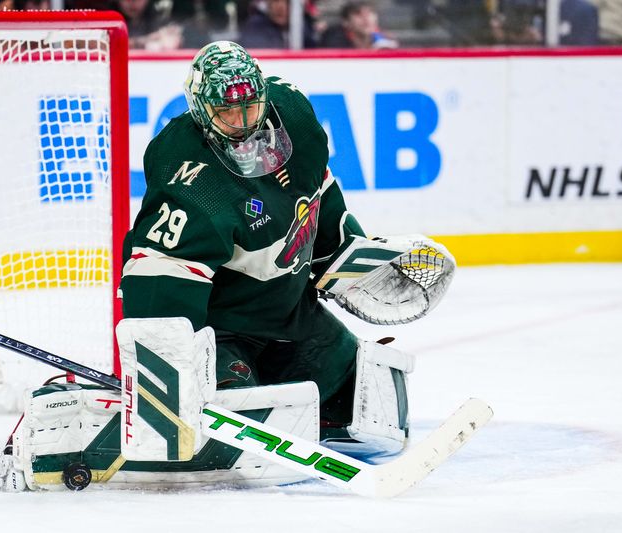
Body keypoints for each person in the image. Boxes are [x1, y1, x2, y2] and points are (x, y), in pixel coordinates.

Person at [118, 41, 454, 465]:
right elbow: (159, 281)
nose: (243, 123)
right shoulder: (191, 177)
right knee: (245, 429)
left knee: (369, 403)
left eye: (251, 108)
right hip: (224, 332)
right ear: (202, 110)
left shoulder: (292, 111)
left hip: (292, 313)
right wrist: (165, 373)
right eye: (226, 113)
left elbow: (319, 192)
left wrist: (344, 254)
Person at [238, 0, 320, 48]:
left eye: (287, 2)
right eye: (276, 1)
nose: (280, 8)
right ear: (268, 4)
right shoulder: (255, 26)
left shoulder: (303, 27)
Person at [320, 0, 399, 48]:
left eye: (369, 13)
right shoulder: (334, 44)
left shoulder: (387, 42)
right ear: (346, 22)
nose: (366, 19)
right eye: (358, 14)